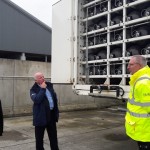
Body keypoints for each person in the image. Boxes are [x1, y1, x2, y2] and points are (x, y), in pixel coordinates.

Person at [125, 55, 150, 150]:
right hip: (143, 128)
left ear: (139, 66)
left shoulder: (143, 83)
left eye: (130, 64)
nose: (128, 67)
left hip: (145, 130)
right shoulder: (141, 79)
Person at [30, 72, 59, 150]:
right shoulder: (33, 90)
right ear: (36, 80)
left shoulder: (49, 85)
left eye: (43, 76)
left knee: (53, 137)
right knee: (39, 139)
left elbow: (54, 98)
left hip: (51, 115)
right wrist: (42, 89)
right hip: (40, 117)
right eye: (40, 77)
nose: (43, 78)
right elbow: (37, 100)